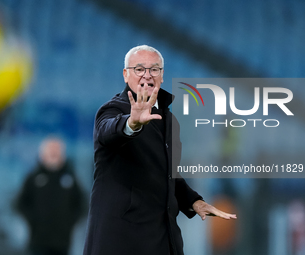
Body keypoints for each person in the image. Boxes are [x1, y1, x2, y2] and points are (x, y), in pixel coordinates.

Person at [83, 45, 236, 255]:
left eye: (154, 69)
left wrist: (194, 201)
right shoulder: (113, 109)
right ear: (126, 75)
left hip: (162, 239)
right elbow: (109, 131)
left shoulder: (170, 120)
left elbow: (165, 173)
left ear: (162, 76)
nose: (147, 74)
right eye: (139, 69)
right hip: (122, 239)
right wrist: (132, 123)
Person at [16, 137, 85, 255]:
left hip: (63, 242)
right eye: (51, 151)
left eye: (57, 151)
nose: (54, 154)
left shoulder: (70, 178)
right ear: (42, 154)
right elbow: (20, 203)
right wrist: (33, 220)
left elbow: (81, 204)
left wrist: (69, 222)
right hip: (37, 241)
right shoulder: (33, 177)